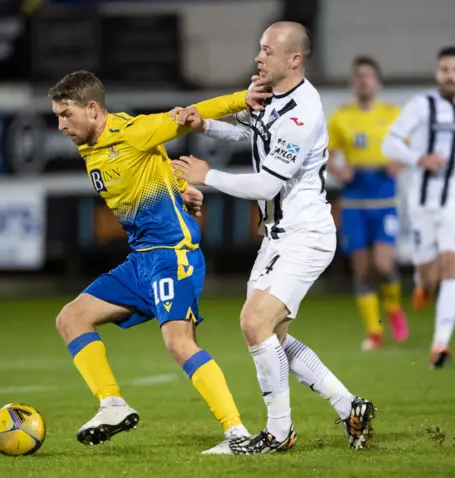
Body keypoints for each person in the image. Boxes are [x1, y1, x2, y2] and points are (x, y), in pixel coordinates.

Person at [170, 21, 376, 454]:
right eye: (260, 49)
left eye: (267, 50)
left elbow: (266, 185)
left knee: (253, 322)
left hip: (307, 235)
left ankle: (279, 434)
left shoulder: (304, 112)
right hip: (277, 237)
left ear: (294, 59)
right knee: (272, 336)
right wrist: (202, 124)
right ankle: (349, 406)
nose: (258, 57)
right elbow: (249, 131)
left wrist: (209, 176)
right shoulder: (270, 94)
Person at [50, 70, 271, 453]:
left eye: (66, 114)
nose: (60, 125)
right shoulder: (92, 146)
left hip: (172, 255)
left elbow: (189, 114)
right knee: (71, 318)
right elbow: (146, 168)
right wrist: (180, 186)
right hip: (140, 261)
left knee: (179, 342)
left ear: (92, 108)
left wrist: (243, 98)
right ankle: (112, 405)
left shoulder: (133, 131)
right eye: (57, 116)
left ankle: (236, 434)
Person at [382, 46, 455, 368]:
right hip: (423, 202)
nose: (451, 75)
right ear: (437, 74)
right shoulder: (422, 105)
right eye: (445, 69)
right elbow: (389, 142)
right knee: (430, 275)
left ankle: (440, 343)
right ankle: (422, 284)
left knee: (453, 267)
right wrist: (419, 158)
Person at [326, 56, 408, 351]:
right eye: (358, 76)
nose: (364, 81)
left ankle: (394, 308)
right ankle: (374, 331)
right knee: (361, 269)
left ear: (378, 81)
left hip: (384, 197)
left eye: (369, 76)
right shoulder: (341, 117)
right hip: (355, 200)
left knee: (384, 266)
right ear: (352, 83)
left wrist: (400, 161)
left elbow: (413, 149)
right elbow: (326, 154)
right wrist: (338, 170)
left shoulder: (394, 115)